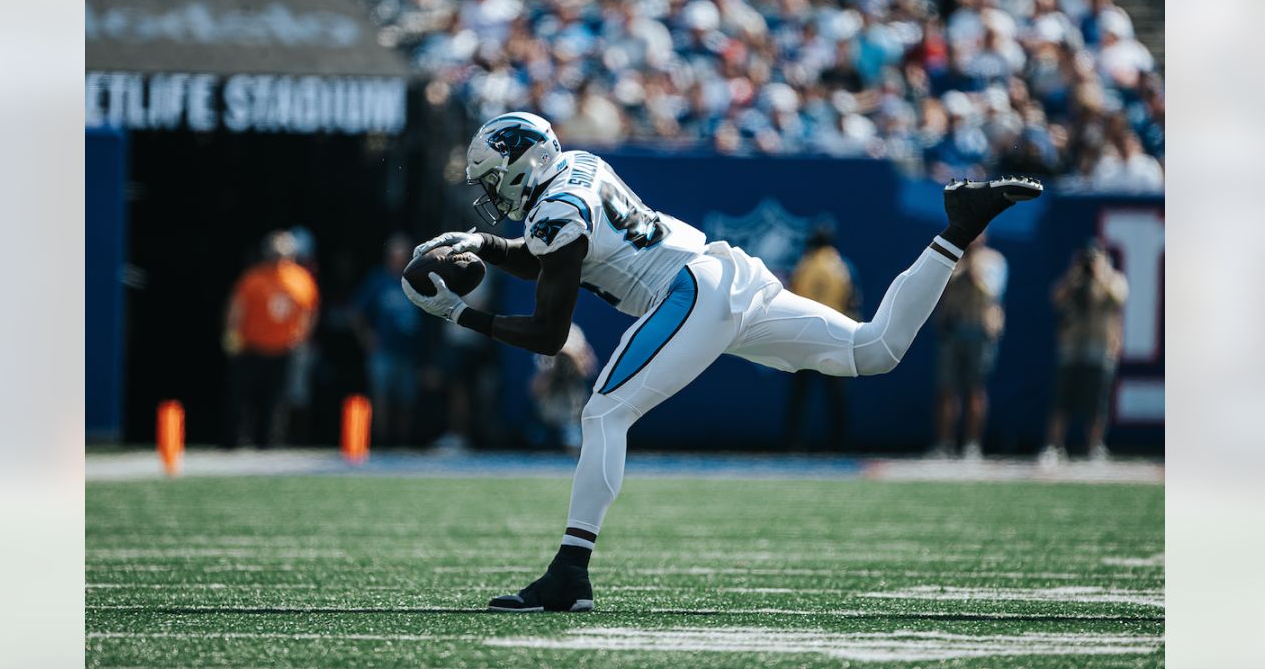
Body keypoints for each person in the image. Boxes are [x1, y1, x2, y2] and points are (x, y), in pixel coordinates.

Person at [404, 112, 1042, 612]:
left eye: (493, 177)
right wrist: (486, 244)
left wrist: (462, 316)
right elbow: (559, 251)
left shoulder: (555, 211)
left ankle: (570, 572)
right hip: (727, 271)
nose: (491, 191)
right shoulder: (578, 168)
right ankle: (957, 230)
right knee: (872, 350)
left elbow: (549, 332)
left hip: (690, 290)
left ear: (523, 162)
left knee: (603, 414)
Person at [223, 230, 319, 449]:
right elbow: (236, 309)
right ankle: (233, 442)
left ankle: (268, 443)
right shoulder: (253, 278)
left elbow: (309, 311)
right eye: (275, 254)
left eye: (283, 254)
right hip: (251, 347)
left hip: (283, 349)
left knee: (276, 400)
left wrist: (301, 336)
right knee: (242, 398)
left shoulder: (301, 280)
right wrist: (232, 336)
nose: (278, 259)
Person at [1040, 242, 1129, 465]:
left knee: (1097, 402)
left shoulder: (1113, 278)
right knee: (1063, 399)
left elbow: (1119, 297)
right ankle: (1054, 446)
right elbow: (1056, 297)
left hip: (1100, 345)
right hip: (1072, 345)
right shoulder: (1074, 279)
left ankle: (1095, 447)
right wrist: (1074, 275)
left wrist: (1100, 274)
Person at [782, 223, 862, 452]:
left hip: (804, 339)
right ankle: (840, 444)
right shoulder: (843, 268)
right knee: (837, 397)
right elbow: (853, 305)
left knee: (800, 396)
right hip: (834, 339)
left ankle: (794, 444)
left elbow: (788, 303)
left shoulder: (802, 266)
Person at [930, 233, 1007, 460]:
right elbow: (940, 289)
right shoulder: (952, 259)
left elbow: (989, 292)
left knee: (975, 390)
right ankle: (944, 444)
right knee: (946, 390)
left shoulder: (994, 261)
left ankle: (972, 445)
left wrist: (973, 265)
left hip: (979, 331)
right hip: (953, 330)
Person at [351, 233, 422, 447]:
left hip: (408, 350)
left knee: (406, 400)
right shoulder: (378, 280)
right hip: (383, 349)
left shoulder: (417, 278)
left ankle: (402, 442)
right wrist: (366, 336)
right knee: (381, 397)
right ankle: (381, 441)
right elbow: (356, 311)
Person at [529, 323, 598, 451]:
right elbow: (535, 390)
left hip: (573, 408)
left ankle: (572, 433)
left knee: (575, 398)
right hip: (548, 409)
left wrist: (574, 360)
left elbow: (589, 370)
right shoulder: (546, 335)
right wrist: (550, 371)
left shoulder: (575, 332)